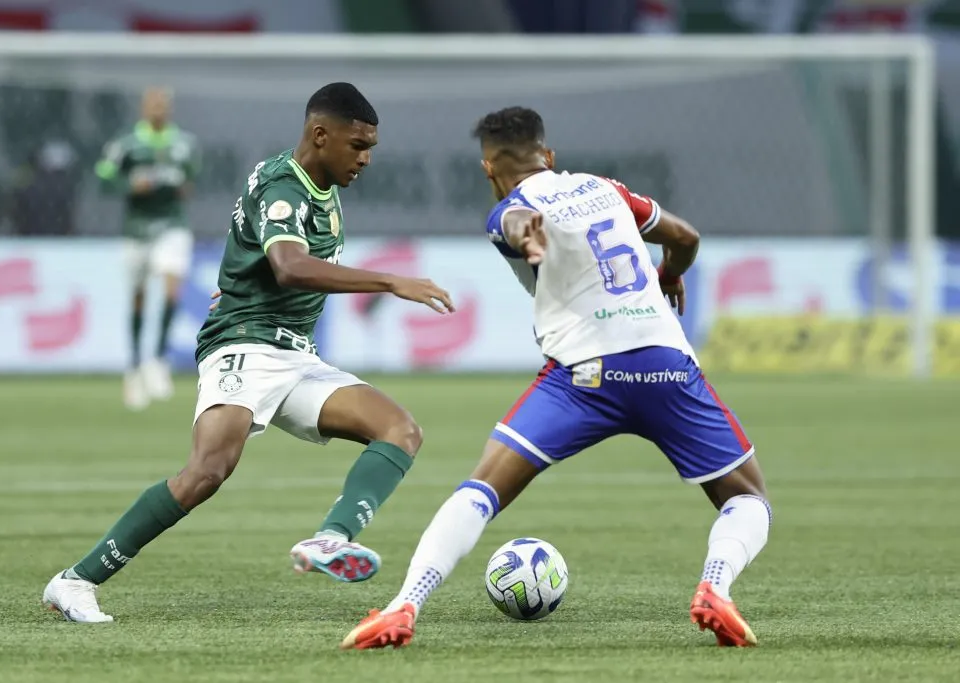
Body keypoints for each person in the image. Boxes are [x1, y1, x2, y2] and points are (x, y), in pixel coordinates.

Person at [341, 106, 771, 650]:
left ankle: (404, 606)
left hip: (582, 378)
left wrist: (529, 239)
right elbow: (685, 236)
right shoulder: (604, 188)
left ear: (487, 168)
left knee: (481, 489)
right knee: (748, 497)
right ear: (549, 156)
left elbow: (513, 223)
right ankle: (715, 587)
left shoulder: (509, 208)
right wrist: (669, 274)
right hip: (664, 365)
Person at [42, 82, 455, 623]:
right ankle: (75, 581)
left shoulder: (318, 187)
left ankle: (331, 539)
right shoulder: (286, 185)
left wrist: (237, 276)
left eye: (370, 146)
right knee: (207, 471)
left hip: (296, 357)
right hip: (244, 345)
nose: (366, 158)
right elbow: (288, 265)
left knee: (400, 429)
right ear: (320, 134)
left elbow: (257, 251)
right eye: (358, 145)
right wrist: (390, 281)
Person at [95, 87, 200, 410]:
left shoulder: (184, 144)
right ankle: (134, 365)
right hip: (137, 229)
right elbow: (103, 177)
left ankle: (158, 358)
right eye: (153, 104)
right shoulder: (126, 143)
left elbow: (191, 179)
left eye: (163, 104)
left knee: (171, 289)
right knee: (139, 298)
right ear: (143, 108)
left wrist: (181, 187)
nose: (158, 109)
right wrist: (129, 186)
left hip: (171, 225)